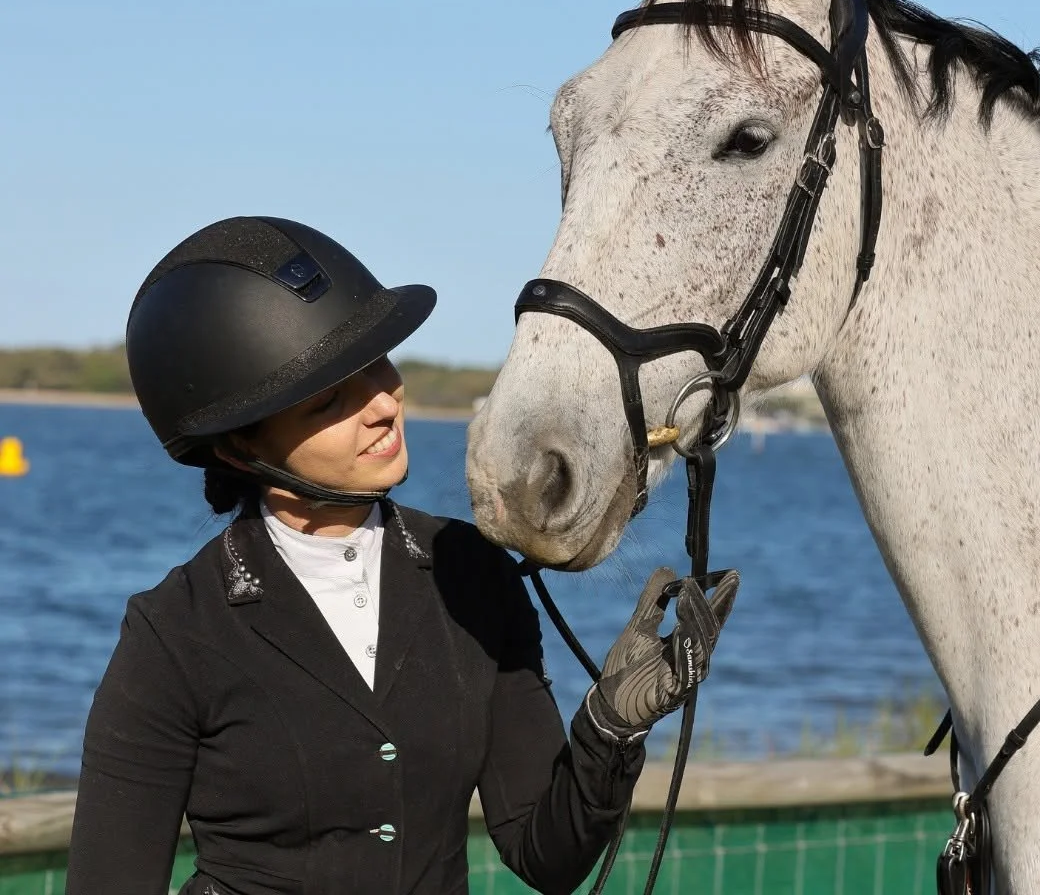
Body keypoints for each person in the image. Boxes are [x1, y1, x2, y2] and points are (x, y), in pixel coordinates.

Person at [66, 216, 739, 895]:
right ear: (242, 447)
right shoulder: (173, 634)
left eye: (381, 365)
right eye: (332, 398)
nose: (384, 403)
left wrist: (609, 726)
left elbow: (547, 856)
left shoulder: (473, 574)